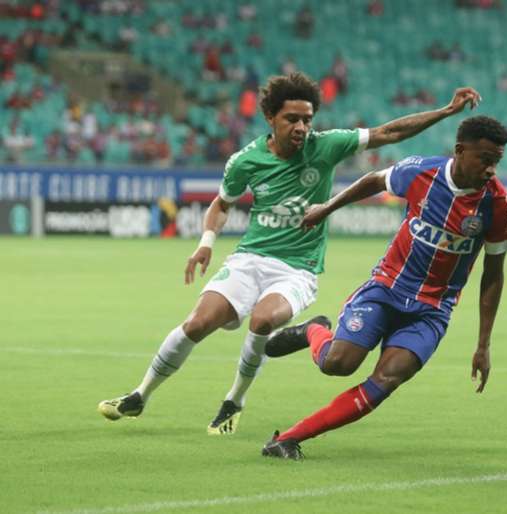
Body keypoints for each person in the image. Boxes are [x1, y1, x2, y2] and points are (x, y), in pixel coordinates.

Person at [97, 72, 482, 435]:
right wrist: (205, 244)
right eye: (291, 119)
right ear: (270, 118)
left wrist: (446, 112)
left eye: (307, 119)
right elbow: (222, 203)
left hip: (297, 269)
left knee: (263, 321)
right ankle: (139, 395)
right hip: (249, 259)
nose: (301, 127)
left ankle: (234, 400)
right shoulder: (246, 161)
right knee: (198, 323)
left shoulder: (326, 145)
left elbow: (389, 132)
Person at [259, 115, 507, 460]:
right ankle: (314, 331)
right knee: (338, 364)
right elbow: (375, 180)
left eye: (496, 162)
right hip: (386, 288)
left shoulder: (499, 205)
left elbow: (493, 274)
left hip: (432, 310)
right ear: (459, 151)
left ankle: (287, 438)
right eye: (485, 159)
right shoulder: (422, 173)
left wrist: (483, 344)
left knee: (387, 379)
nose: (491, 170)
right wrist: (327, 208)